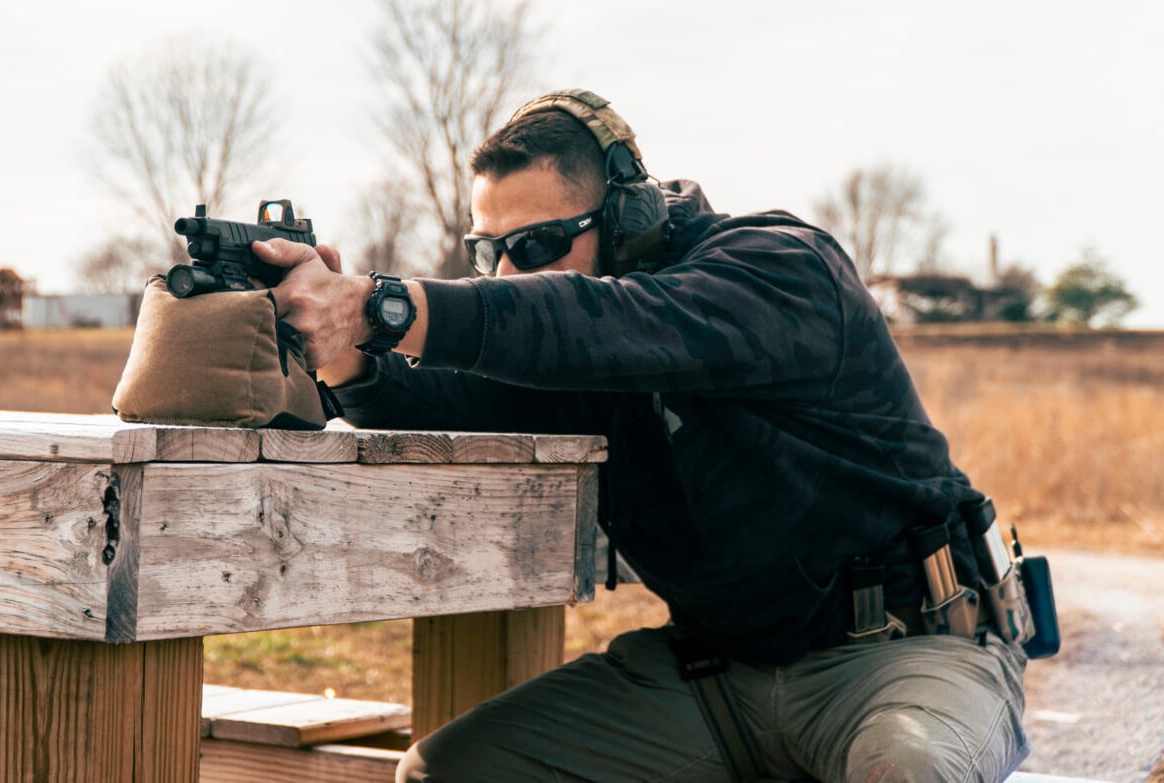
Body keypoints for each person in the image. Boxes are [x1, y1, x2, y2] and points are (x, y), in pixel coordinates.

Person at [250, 89, 1030, 782]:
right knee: (446, 770)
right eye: (489, 253)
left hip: (905, 654)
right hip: (718, 679)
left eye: (536, 246)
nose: (512, 276)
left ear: (628, 216)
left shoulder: (778, 271)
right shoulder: (584, 347)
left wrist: (379, 303)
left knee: (908, 766)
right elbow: (459, 395)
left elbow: (603, 324)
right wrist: (352, 357)